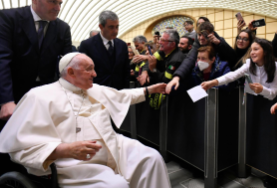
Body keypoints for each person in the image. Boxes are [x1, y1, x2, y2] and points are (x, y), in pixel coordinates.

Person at [0, 53, 171, 188]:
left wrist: (150, 90)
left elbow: (122, 95)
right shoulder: (39, 96)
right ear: (71, 72)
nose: (95, 74)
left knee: (152, 159)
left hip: (114, 146)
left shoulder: (94, 89)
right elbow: (21, 147)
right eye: (89, 69)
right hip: (72, 163)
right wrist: (63, 150)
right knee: (114, 185)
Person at [0, 0, 72, 121]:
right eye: (53, 2)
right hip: (13, 97)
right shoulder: (8, 19)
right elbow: (2, 60)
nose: (58, 8)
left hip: (46, 100)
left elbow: (67, 65)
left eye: (60, 3)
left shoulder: (62, 28)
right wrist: (6, 100)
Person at [166, 20, 236, 94]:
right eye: (199, 35)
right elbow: (189, 59)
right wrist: (177, 77)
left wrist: (219, 43)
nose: (201, 38)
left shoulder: (222, 63)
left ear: (212, 34)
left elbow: (234, 57)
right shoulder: (196, 69)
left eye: (204, 35)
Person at [201, 38, 277, 100]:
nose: (252, 53)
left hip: (268, 103)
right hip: (250, 100)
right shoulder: (249, 63)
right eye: (251, 50)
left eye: (256, 49)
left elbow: (273, 93)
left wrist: (262, 90)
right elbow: (233, 75)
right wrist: (212, 82)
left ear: (265, 52)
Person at [79, 10, 130, 90]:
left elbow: (126, 71)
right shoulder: (87, 45)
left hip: (118, 93)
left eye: (117, 27)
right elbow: (82, 72)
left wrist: (126, 92)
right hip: (96, 93)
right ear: (101, 27)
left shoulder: (122, 45)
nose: (115, 31)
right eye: (111, 27)